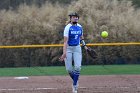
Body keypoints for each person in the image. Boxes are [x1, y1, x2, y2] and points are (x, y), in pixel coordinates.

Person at [59, 12, 86, 93]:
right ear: (70, 18)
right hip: (68, 48)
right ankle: (76, 79)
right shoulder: (68, 28)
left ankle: (74, 85)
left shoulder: (80, 27)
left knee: (77, 67)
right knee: (69, 69)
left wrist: (84, 45)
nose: (76, 18)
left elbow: (81, 38)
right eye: (74, 17)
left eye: (77, 17)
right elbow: (65, 42)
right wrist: (64, 53)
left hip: (77, 48)